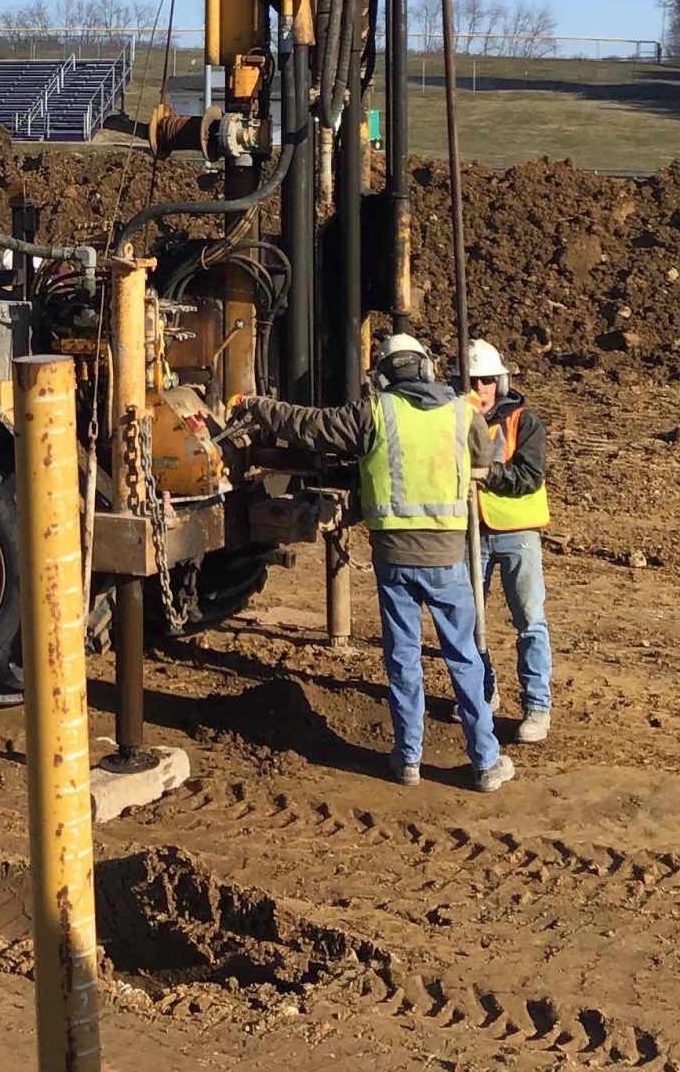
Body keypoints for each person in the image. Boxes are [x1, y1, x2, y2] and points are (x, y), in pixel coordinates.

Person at [222, 334, 513, 792]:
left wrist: (256, 405)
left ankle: (408, 760)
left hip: (394, 558)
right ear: (428, 369)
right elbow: (484, 458)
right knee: (464, 657)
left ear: (383, 374)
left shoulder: (374, 412)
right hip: (448, 558)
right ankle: (485, 761)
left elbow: (310, 425)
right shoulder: (462, 411)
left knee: (403, 659)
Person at [465, 337, 553, 743]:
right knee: (471, 622)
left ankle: (537, 706)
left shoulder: (524, 421)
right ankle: (484, 692)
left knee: (530, 622)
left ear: (498, 381)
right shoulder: (454, 418)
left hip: (517, 535)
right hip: (471, 534)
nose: (477, 387)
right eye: (470, 379)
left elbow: (529, 475)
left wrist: (487, 475)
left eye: (484, 380)